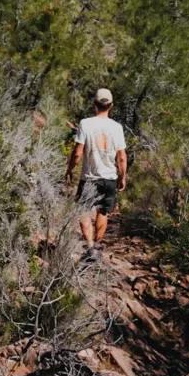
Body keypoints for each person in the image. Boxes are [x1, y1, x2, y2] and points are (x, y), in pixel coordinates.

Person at [64, 88, 127, 262]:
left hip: (90, 178)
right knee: (103, 212)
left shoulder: (86, 123)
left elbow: (77, 153)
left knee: (84, 211)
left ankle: (91, 246)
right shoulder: (117, 127)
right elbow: (122, 156)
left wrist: (69, 169)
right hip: (110, 178)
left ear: (94, 105)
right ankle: (96, 247)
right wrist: (122, 177)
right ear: (111, 106)